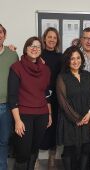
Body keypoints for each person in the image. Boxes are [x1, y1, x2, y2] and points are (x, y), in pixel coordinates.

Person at [8, 36, 52, 170]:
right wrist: (17, 120)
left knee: (34, 150)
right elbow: (12, 96)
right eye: (31, 46)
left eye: (38, 46)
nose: (34, 48)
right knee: (22, 152)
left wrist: (49, 114)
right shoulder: (16, 67)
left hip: (42, 115)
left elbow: (47, 94)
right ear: (26, 49)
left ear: (41, 50)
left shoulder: (45, 69)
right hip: (23, 116)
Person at [56, 46, 90, 170]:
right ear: (67, 61)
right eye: (72, 59)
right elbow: (63, 102)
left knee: (85, 148)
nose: (75, 61)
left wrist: (89, 113)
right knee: (69, 150)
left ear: (82, 60)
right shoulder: (62, 77)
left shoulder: (87, 75)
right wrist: (77, 118)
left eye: (78, 58)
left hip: (87, 119)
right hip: (69, 119)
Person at [39, 27, 62, 167]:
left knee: (54, 128)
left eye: (54, 37)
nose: (52, 39)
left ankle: (52, 159)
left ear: (57, 40)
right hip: (40, 96)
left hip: (56, 98)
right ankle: (35, 158)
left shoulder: (61, 57)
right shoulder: (38, 54)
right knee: (40, 126)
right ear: (45, 38)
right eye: (49, 37)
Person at [0, 24, 18, 170]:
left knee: (4, 140)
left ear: (4, 35)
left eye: (0, 32)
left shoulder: (12, 54)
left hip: (6, 106)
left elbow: (21, 74)